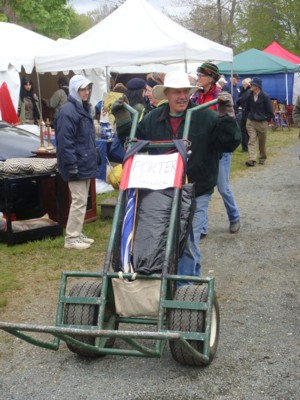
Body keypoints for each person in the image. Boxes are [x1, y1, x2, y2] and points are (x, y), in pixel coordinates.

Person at [112, 71, 241, 284]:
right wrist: (122, 117)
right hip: (163, 190)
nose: (182, 96)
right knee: (168, 239)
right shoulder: (154, 118)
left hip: (196, 190)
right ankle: (190, 281)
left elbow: (229, 143)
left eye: (185, 92)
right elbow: (132, 142)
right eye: (176, 92)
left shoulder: (205, 116)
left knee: (187, 241)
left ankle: (184, 289)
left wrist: (226, 115)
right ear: (168, 94)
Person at [192, 62, 241, 235]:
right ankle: (203, 227)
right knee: (201, 187)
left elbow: (230, 124)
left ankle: (234, 216)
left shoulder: (222, 96)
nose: (198, 78)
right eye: (197, 75)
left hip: (220, 148)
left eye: (201, 75)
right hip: (203, 147)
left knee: (222, 186)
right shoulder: (195, 96)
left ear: (211, 78)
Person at [54, 75, 99, 250]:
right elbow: (65, 142)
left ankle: (77, 233)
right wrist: (71, 164)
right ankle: (71, 238)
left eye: (88, 88)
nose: (86, 92)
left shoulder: (81, 109)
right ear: (74, 90)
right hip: (77, 163)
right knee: (79, 200)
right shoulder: (68, 111)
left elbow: (84, 139)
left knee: (81, 200)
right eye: (82, 89)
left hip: (84, 161)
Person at [244, 77, 274, 167]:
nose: (250, 86)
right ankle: (252, 159)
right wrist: (248, 116)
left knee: (262, 142)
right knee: (251, 140)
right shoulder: (249, 95)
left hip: (262, 122)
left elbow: (270, 111)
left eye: (252, 84)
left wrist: (265, 119)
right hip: (251, 121)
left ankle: (262, 158)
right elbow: (247, 107)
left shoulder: (265, 96)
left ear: (257, 86)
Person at [237, 77, 252, 152]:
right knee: (247, 131)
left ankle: (245, 147)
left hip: (245, 113)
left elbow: (240, 101)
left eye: (244, 84)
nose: (243, 85)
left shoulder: (247, 92)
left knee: (244, 130)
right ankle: (248, 147)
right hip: (247, 113)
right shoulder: (249, 91)